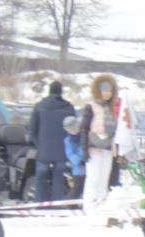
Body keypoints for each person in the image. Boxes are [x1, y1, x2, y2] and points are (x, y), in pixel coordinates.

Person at [78, 74, 133, 212]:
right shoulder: (91, 107)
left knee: (104, 179)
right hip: (94, 148)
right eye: (104, 90)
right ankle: (89, 207)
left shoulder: (111, 109)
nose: (107, 94)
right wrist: (84, 149)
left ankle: (101, 207)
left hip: (108, 149)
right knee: (93, 179)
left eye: (109, 91)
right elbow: (84, 128)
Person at [28, 80, 74, 203]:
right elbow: (73, 130)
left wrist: (39, 145)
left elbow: (31, 131)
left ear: (49, 91)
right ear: (61, 92)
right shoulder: (69, 108)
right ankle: (56, 206)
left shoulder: (39, 106)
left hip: (43, 152)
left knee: (40, 179)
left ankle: (39, 205)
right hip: (61, 151)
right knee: (58, 179)